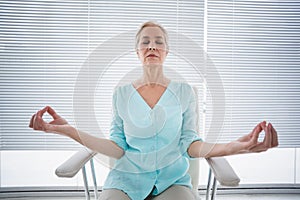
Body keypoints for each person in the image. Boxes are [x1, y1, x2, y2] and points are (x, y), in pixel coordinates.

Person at [29, 21, 278, 200]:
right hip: (125, 181)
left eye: (159, 42)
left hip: (172, 181)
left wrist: (236, 146)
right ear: (137, 52)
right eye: (145, 42)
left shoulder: (184, 92)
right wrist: (69, 131)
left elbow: (191, 144)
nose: (152, 46)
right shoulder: (121, 94)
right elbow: (116, 147)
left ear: (166, 52)